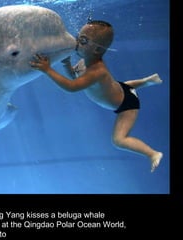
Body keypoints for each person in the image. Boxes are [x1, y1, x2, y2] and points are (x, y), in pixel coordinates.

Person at [30, 20, 163, 172]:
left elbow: (71, 87)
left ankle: (152, 154)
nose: (76, 42)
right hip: (121, 89)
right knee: (120, 86)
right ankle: (146, 81)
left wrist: (47, 70)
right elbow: (75, 76)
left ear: (96, 50)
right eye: (78, 36)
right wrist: (66, 65)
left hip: (127, 104)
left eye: (83, 40)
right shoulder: (84, 62)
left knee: (118, 140)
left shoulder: (96, 71)